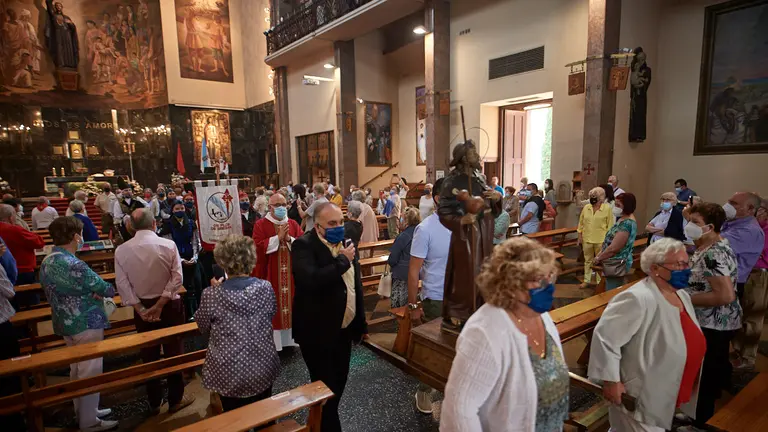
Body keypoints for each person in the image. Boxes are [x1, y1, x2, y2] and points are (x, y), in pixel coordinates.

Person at [441, 237, 567, 432]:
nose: (547, 285)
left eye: (549, 276)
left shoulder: (542, 317)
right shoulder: (485, 331)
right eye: (537, 280)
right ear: (510, 284)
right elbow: (459, 409)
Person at [589, 238, 705, 432]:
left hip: (665, 386)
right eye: (679, 264)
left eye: (687, 262)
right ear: (655, 268)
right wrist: (611, 381)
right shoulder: (637, 298)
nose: (686, 269)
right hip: (640, 390)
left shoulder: (681, 294)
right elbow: (606, 338)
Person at [291, 202, 367, 432]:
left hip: (343, 329)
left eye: (341, 222)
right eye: (332, 224)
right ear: (318, 227)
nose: (339, 227)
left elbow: (356, 285)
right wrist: (342, 261)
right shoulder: (303, 246)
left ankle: (321, 424)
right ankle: (327, 427)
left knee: (339, 383)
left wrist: (361, 323)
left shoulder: (347, 244)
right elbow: (310, 280)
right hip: (317, 332)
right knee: (325, 387)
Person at [40, 216, 118, 432]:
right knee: (90, 370)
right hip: (85, 321)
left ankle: (84, 410)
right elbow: (106, 288)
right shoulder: (74, 263)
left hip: (64, 320)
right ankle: (89, 422)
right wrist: (95, 291)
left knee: (76, 369)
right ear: (76, 236)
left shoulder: (48, 260)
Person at [114, 209, 195, 414]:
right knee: (173, 352)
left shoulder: (122, 250)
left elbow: (122, 285)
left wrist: (141, 309)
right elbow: (177, 278)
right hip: (169, 305)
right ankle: (175, 399)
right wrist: (160, 304)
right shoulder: (168, 245)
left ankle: (153, 401)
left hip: (142, 305)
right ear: (154, 225)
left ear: (130, 226)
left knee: (148, 354)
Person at [195, 234, 280, 413]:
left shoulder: (212, 295)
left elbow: (202, 325)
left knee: (234, 417)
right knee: (264, 414)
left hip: (228, 370)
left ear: (222, 261)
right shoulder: (265, 287)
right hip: (262, 365)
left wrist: (215, 289)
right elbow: (271, 313)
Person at [683, 202, 740, 430]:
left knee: (706, 377)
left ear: (710, 226)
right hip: (706, 321)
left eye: (696, 223)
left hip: (715, 323)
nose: (690, 226)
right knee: (700, 372)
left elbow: (725, 295)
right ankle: (692, 413)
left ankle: (701, 422)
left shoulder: (714, 253)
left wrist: (684, 299)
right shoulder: (706, 246)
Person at [408, 178, 451, 413]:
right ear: (438, 198)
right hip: (435, 297)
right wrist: (413, 306)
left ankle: (451, 390)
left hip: (461, 297)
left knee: (458, 348)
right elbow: (414, 271)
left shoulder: (463, 225)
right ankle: (424, 391)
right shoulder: (425, 229)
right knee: (436, 351)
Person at [252, 193, 304, 351]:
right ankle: (274, 344)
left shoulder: (293, 223)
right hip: (270, 275)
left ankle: (290, 341)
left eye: (284, 204)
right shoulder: (261, 224)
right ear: (270, 207)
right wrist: (277, 238)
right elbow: (256, 247)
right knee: (272, 308)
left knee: (291, 305)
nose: (282, 207)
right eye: (277, 205)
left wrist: (288, 240)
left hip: (291, 276)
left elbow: (302, 245)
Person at [159, 202, 202, 319]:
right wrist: (181, 260)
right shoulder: (168, 225)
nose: (180, 210)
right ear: (172, 211)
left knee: (196, 285)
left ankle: (197, 311)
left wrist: (194, 257)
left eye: (182, 208)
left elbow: (196, 241)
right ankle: (185, 313)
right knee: (182, 287)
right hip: (177, 260)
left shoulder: (191, 223)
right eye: (177, 208)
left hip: (192, 258)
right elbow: (169, 244)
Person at [721, 192, 764, 298]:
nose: (727, 205)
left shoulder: (749, 230)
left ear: (750, 209)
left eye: (733, 203)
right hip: (722, 280)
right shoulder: (732, 223)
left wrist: (691, 221)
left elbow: (711, 245)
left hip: (731, 285)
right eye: (728, 201)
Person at [594, 193, 638, 290]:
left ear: (627, 206)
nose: (615, 207)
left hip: (616, 263)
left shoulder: (627, 224)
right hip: (612, 260)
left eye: (618, 205)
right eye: (615, 204)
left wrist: (598, 258)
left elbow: (614, 248)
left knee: (612, 291)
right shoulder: (623, 219)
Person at [577, 187, 615, 288]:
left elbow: (610, 226)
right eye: (591, 196)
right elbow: (581, 223)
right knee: (588, 260)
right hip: (587, 238)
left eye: (595, 197)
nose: (592, 198)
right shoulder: (586, 207)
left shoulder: (607, 209)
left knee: (599, 261)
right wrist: (579, 236)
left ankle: (599, 281)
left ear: (601, 198)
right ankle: (587, 280)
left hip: (601, 240)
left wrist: (607, 241)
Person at [0, 204, 44, 286]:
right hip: (22, 270)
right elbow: (39, 242)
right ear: (10, 217)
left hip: (3, 271)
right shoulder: (14, 229)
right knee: (28, 297)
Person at [388, 207, 420, 308]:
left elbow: (392, 259)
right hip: (419, 273)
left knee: (400, 306)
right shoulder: (421, 233)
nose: (399, 221)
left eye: (401, 219)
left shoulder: (403, 236)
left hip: (402, 275)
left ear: (406, 221)